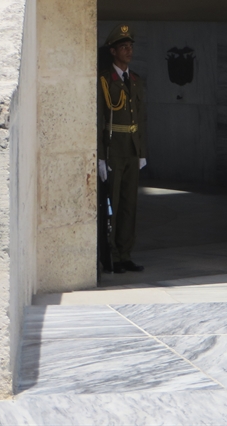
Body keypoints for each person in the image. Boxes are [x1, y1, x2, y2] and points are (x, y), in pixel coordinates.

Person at [98, 24, 147, 273]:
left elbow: (142, 118)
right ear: (113, 51)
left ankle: (125, 253)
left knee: (129, 205)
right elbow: (100, 118)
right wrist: (99, 156)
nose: (128, 51)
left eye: (130, 47)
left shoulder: (136, 80)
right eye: (124, 47)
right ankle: (112, 255)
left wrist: (142, 152)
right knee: (113, 205)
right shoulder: (105, 80)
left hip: (131, 150)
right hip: (113, 150)